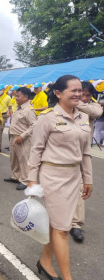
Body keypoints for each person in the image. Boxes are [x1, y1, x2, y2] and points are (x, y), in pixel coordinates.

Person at [27, 75, 92, 280]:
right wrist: (31, 180)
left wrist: (87, 178)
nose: (78, 93)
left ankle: (45, 261)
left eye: (80, 90)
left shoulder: (83, 117)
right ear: (58, 93)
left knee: (56, 223)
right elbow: (36, 150)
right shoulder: (47, 118)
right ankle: (67, 277)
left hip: (74, 177)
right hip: (52, 176)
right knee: (63, 229)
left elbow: (86, 152)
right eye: (73, 90)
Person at [69, 81, 103, 243]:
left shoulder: (90, 108)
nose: (83, 97)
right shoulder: (66, 108)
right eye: (80, 93)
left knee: (80, 188)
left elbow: (97, 111)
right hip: (62, 155)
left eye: (87, 95)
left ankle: (76, 224)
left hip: (82, 155)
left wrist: (79, 104)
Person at [4, 87, 36, 190]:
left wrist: (22, 136)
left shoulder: (29, 110)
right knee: (14, 159)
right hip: (13, 137)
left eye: (18, 96)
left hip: (23, 139)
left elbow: (34, 125)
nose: (16, 97)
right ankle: (16, 176)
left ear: (26, 97)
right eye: (16, 95)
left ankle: (25, 180)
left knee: (23, 160)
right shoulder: (18, 107)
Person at [0, 84, 12, 155]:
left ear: (4, 89)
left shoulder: (8, 98)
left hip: (3, 115)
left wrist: (11, 117)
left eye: (0, 89)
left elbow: (10, 108)